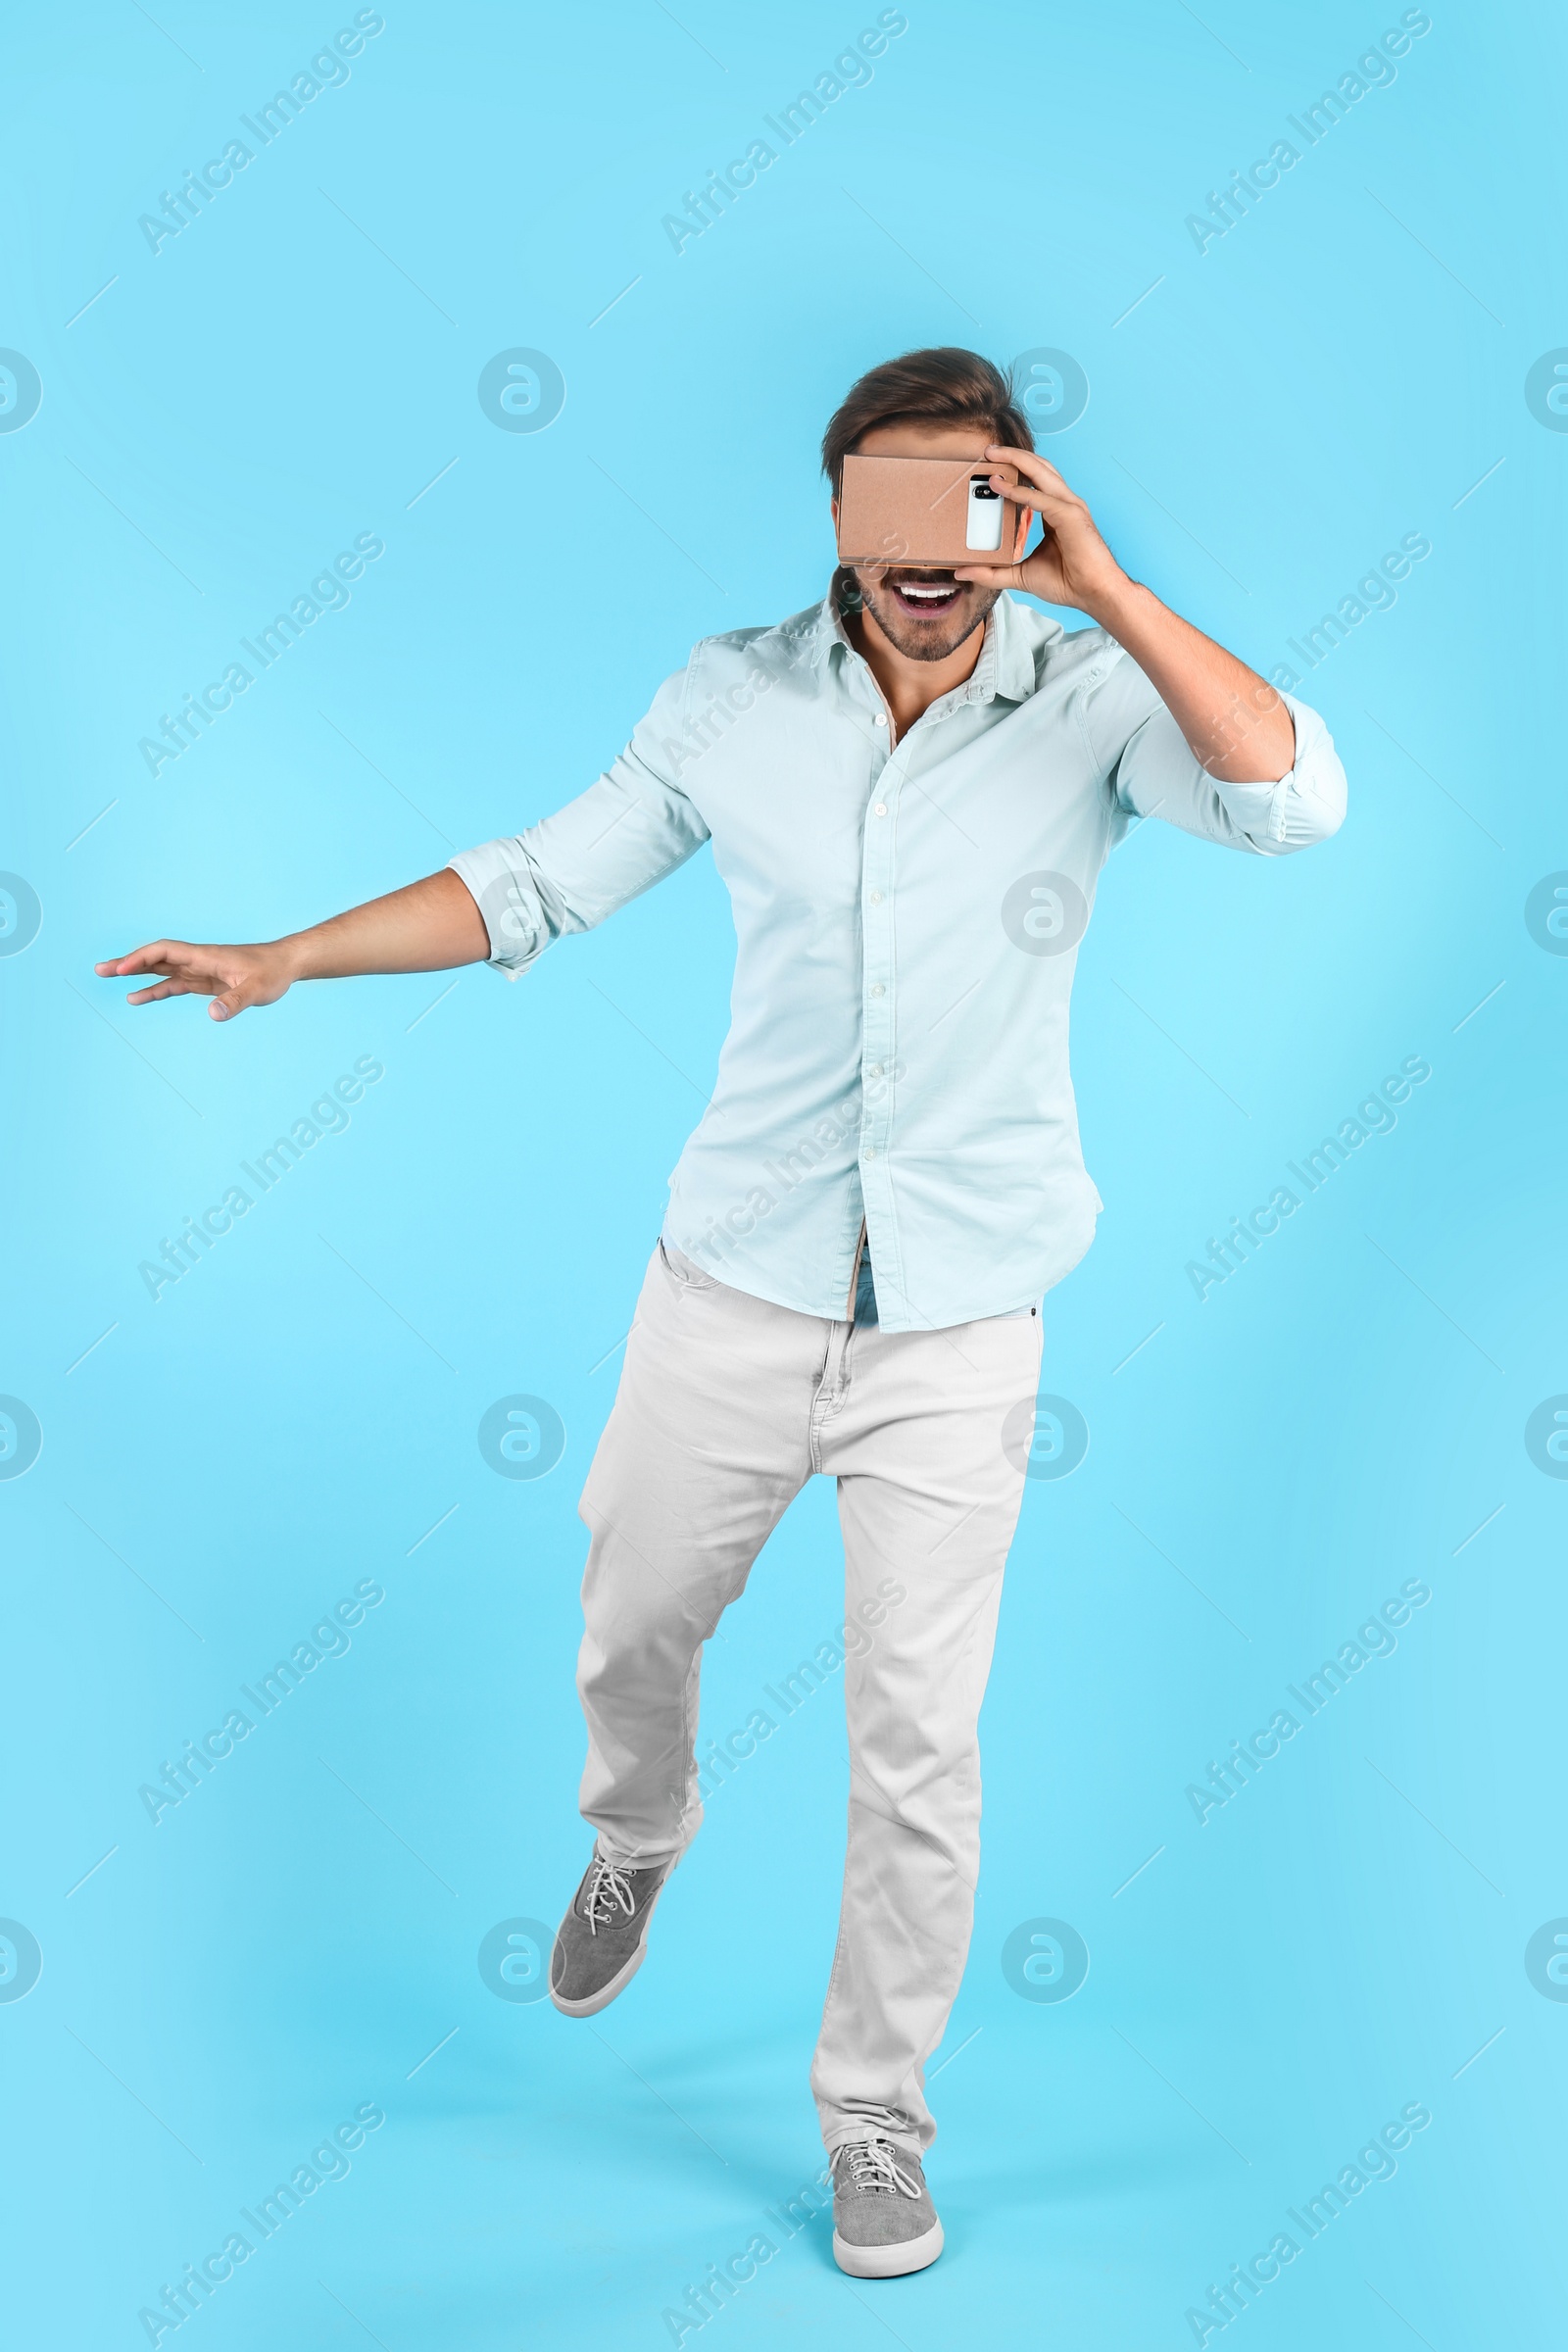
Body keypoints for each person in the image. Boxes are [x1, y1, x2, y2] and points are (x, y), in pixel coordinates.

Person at [98, 347, 1347, 2280]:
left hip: (958, 1327)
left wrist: (1102, 588)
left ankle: (871, 2116)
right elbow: (537, 883)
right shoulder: (728, 696)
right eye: (887, 505)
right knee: (631, 1616)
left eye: (971, 502)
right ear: (835, 513)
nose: (925, 551)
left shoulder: (1092, 698)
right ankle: (639, 1830)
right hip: (733, 1291)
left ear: (1016, 507)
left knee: (917, 1740)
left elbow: (1287, 804)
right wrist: (288, 956)